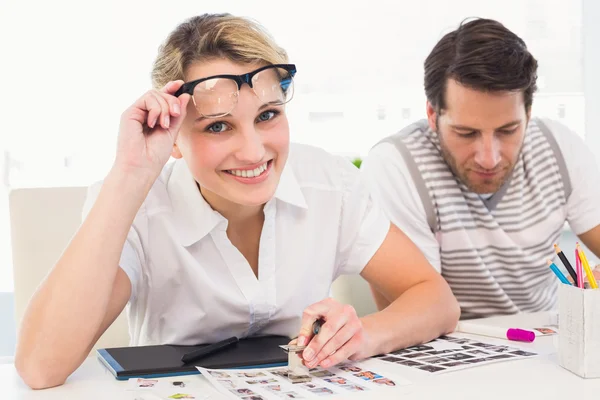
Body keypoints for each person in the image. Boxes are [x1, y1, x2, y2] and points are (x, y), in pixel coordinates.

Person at [14, 13, 459, 389]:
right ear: (173, 138)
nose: (253, 151)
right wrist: (129, 176)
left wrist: (363, 335)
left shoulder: (331, 183)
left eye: (268, 116)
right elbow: (39, 367)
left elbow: (436, 300)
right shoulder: (137, 205)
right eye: (217, 126)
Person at [362, 18, 600, 320]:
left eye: (508, 130)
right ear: (433, 115)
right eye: (466, 133)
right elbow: (413, 313)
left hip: (549, 346)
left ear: (528, 113)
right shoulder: (396, 166)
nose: (489, 158)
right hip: (446, 349)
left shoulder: (559, 147)